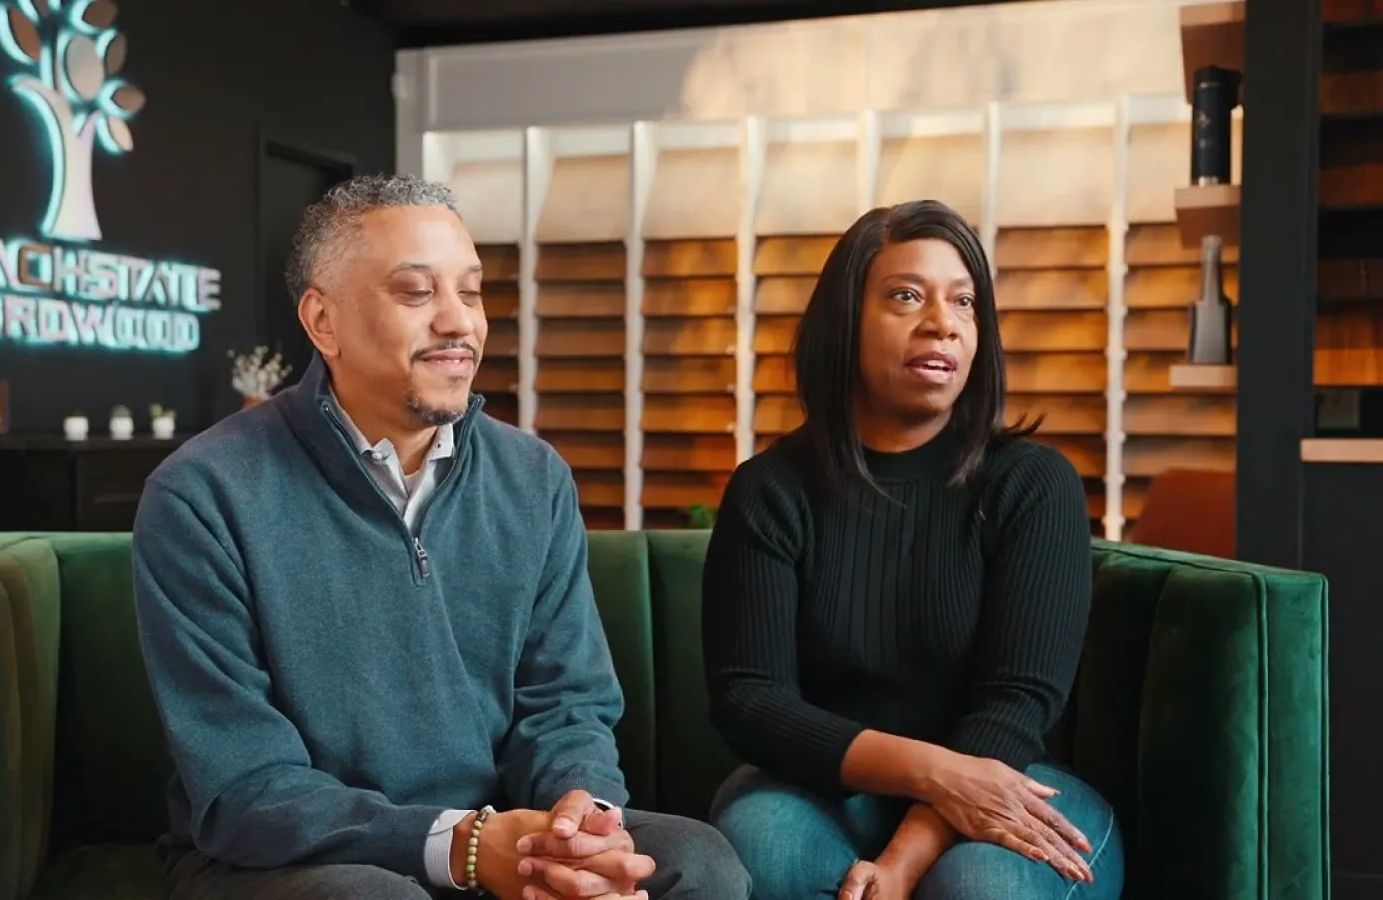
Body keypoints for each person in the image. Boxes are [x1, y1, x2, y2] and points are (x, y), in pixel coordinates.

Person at [131, 174, 750, 900]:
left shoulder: (533, 476)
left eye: (472, 291)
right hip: (286, 860)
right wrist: (461, 845)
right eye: (417, 293)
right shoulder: (202, 493)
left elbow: (566, 702)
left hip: (505, 836)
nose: (460, 324)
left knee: (698, 863)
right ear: (322, 321)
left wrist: (579, 824)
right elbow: (245, 787)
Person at [701, 200, 1124, 900]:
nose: (943, 322)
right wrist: (932, 772)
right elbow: (752, 701)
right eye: (906, 295)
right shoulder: (771, 492)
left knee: (981, 885)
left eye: (964, 301)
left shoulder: (1032, 485)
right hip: (821, 790)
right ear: (846, 321)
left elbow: (1015, 705)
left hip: (1012, 778)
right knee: (765, 848)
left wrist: (904, 859)